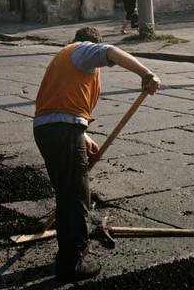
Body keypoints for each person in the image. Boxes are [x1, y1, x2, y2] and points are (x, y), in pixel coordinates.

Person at [33, 26, 160, 283]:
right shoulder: (82, 50)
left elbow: (61, 105)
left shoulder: (64, 58)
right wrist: (147, 74)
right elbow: (111, 51)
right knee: (77, 196)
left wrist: (84, 137)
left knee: (67, 194)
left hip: (49, 129)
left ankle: (66, 255)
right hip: (62, 131)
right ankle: (74, 262)